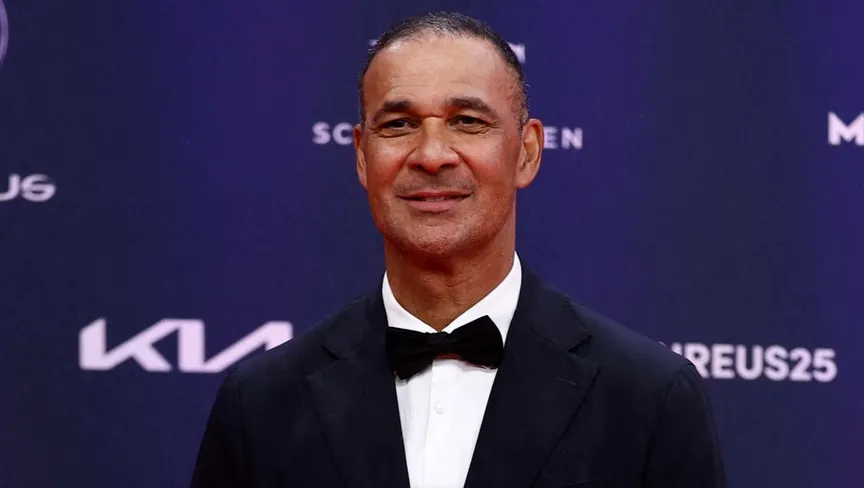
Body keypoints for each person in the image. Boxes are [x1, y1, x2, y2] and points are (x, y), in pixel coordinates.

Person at [190, 11, 726, 488]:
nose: (431, 155)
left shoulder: (648, 397)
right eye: (398, 125)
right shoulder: (261, 404)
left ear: (527, 152)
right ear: (361, 157)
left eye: (468, 122)